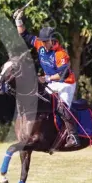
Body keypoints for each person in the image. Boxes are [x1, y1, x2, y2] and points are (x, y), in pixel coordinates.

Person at [13, 9, 80, 147]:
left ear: (52, 40)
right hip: (50, 82)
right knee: (38, 100)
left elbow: (63, 74)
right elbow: (24, 35)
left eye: (46, 41)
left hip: (65, 84)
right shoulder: (40, 45)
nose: (43, 44)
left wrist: (46, 79)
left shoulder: (61, 54)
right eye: (42, 41)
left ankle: (73, 136)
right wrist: (19, 20)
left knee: (62, 107)